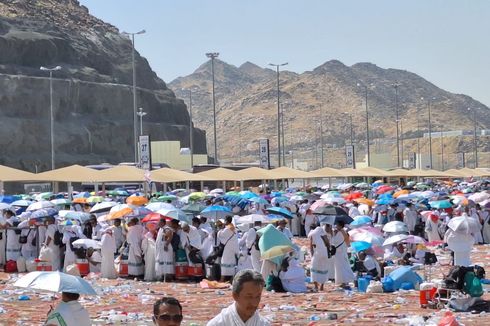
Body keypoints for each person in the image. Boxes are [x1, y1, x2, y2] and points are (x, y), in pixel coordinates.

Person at [309, 223, 332, 291]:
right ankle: (322, 286)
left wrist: (312, 255)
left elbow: (311, 246)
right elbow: (327, 242)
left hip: (317, 252)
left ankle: (316, 286)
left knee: (314, 268)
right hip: (324, 252)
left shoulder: (312, 234)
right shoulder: (322, 232)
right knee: (323, 267)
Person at [332, 220, 355, 288]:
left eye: (337, 225)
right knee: (340, 267)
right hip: (339, 252)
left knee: (342, 267)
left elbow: (346, 243)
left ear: (340, 226)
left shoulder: (342, 232)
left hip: (340, 252)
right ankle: (342, 281)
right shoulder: (340, 232)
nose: (336, 226)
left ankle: (345, 281)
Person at [218, 216, 239, 282]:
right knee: (232, 262)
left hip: (228, 247)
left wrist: (220, 229)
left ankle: (222, 278)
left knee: (224, 262)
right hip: (233, 247)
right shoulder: (234, 228)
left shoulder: (227, 229)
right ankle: (231, 278)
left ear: (226, 221)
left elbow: (220, 235)